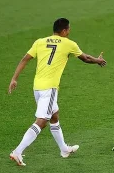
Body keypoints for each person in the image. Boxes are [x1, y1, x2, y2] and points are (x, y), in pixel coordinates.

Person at [8, 18, 107, 166]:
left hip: (37, 87)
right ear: (65, 31)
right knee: (42, 121)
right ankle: (17, 151)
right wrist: (98, 61)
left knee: (54, 115)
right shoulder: (69, 44)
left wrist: (14, 79)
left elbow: (24, 59)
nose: (69, 31)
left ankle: (64, 149)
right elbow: (85, 58)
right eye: (69, 29)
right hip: (50, 89)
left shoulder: (40, 42)